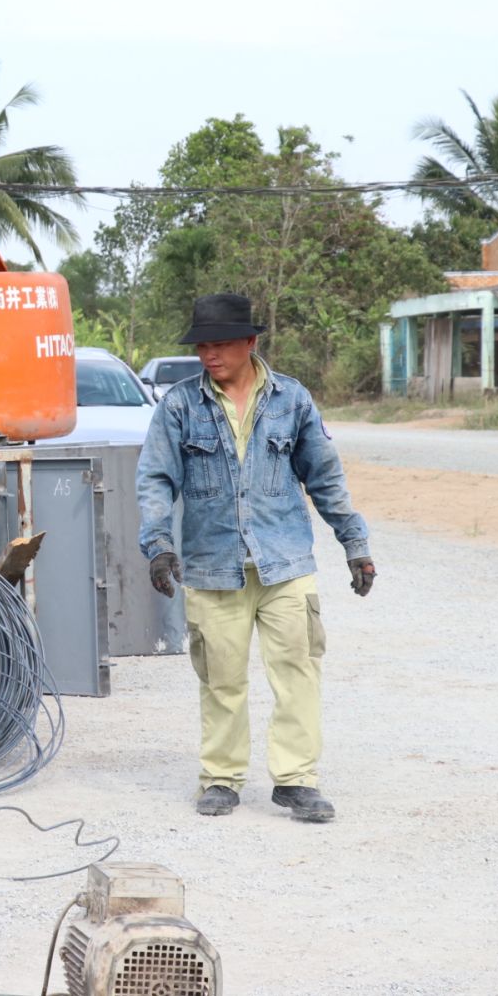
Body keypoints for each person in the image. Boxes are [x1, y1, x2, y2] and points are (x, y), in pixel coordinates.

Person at [135, 293, 374, 823]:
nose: (209, 355)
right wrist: (159, 546)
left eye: (220, 344)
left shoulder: (292, 400)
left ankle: (296, 781)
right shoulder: (178, 405)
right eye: (202, 345)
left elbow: (325, 477)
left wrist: (354, 545)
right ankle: (220, 778)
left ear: (250, 343)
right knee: (220, 678)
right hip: (212, 567)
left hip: (285, 564)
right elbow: (154, 479)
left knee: (297, 672)